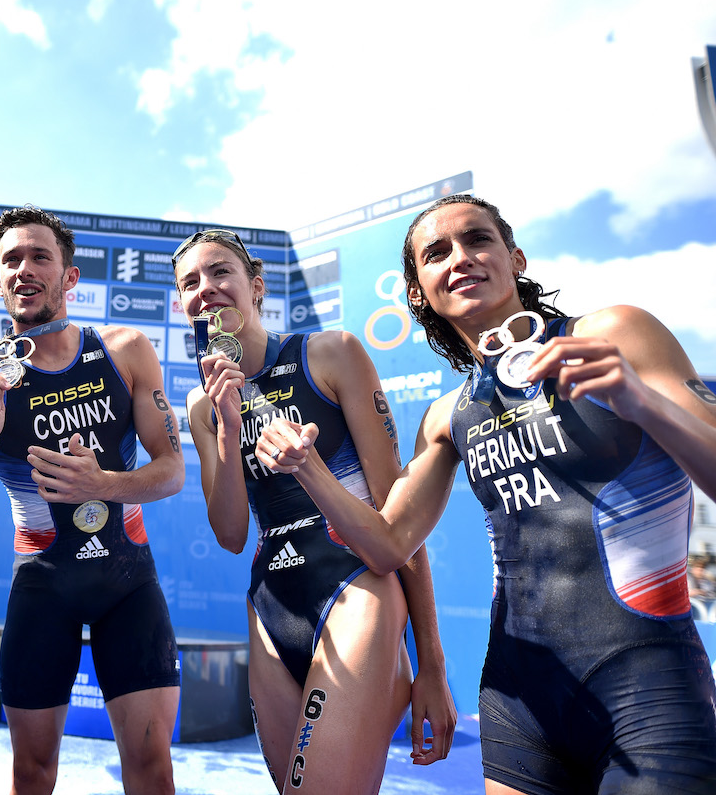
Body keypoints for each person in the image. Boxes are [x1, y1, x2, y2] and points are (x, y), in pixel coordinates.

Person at [257, 194, 716, 794]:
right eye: (437, 252)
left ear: (515, 257)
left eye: (478, 240)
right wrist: (310, 470)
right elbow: (389, 544)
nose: (461, 258)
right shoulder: (448, 415)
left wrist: (642, 401)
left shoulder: (613, 333)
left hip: (646, 682)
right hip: (517, 700)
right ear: (418, 292)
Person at [171, 229, 456, 794]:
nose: (206, 289)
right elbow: (229, 533)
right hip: (272, 605)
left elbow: (399, 517)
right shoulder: (201, 404)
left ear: (256, 286)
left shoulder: (331, 353)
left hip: (356, 588)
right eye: (190, 283)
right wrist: (229, 426)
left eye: (220, 272)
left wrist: (432, 664)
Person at [0, 205, 185, 795]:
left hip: (129, 585)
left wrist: (103, 486)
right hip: (42, 586)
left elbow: (172, 471)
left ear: (69, 277)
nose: (25, 269)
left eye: (39, 256)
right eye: (11, 261)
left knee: (151, 770)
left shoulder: (125, 349)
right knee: (32, 774)